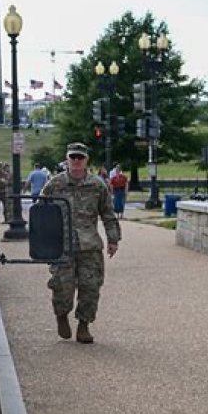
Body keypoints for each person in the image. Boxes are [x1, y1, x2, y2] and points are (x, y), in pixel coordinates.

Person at [40, 142, 121, 344]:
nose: (76, 161)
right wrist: (43, 241)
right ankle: (61, 315)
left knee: (90, 287)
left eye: (80, 157)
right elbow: (40, 212)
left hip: (89, 245)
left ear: (86, 161)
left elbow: (108, 214)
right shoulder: (54, 184)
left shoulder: (97, 185)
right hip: (62, 246)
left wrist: (113, 239)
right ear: (67, 159)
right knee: (62, 287)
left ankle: (84, 325)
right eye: (73, 157)